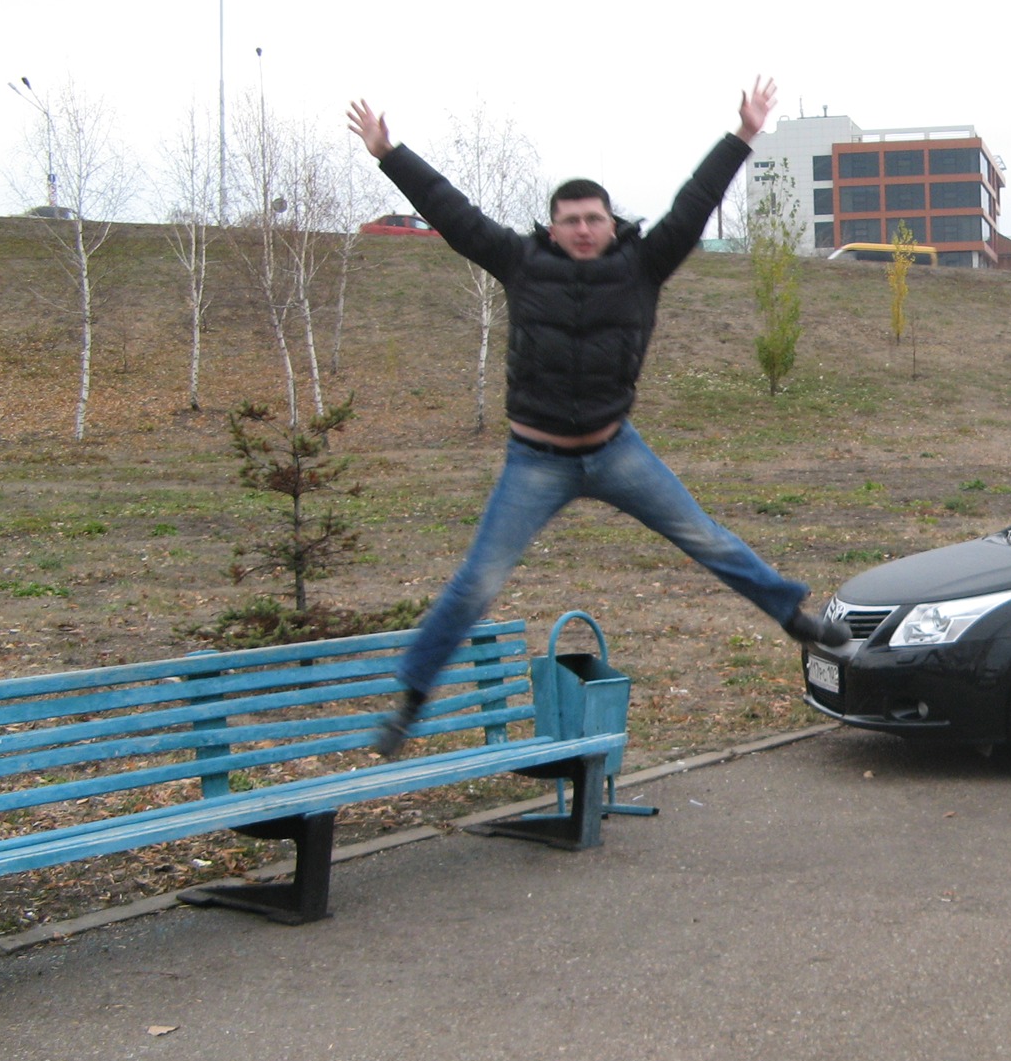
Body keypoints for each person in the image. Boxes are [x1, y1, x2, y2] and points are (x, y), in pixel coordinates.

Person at [346, 78, 847, 758]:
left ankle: (793, 616)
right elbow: (452, 212)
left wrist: (744, 136)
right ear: (552, 228)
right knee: (477, 581)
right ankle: (409, 701)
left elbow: (694, 203)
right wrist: (388, 152)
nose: (583, 230)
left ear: (613, 224)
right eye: (571, 220)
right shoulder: (520, 263)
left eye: (594, 219)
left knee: (706, 537)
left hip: (615, 450)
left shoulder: (644, 265)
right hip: (536, 461)